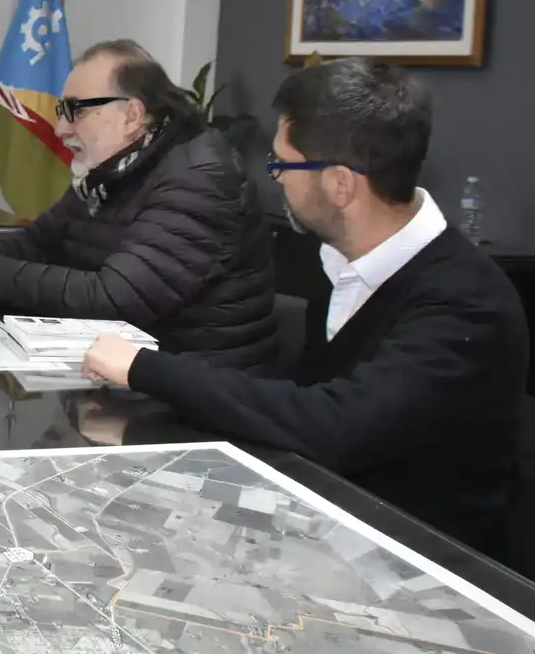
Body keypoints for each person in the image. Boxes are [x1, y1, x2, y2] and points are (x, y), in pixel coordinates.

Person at [82, 58, 528, 558]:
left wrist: (144, 369)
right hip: (331, 525)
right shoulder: (342, 259)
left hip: (430, 568)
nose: (277, 180)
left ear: (340, 184)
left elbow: (335, 424)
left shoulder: (467, 302)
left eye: (282, 165)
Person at [0, 39, 277, 372]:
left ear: (132, 115)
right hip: (124, 372)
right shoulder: (114, 168)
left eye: (76, 110)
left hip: (198, 390)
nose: (60, 129)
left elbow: (116, 299)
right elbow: (36, 242)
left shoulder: (200, 177)